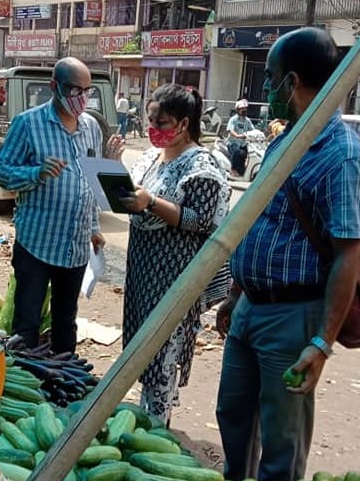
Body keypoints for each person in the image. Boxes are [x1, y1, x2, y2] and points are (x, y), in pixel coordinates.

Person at [214, 27, 360, 481]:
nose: (265, 89)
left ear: (292, 82)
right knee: (233, 415)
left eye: (269, 78)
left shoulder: (343, 156)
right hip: (250, 307)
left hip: (292, 317)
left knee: (282, 440)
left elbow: (347, 256)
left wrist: (321, 344)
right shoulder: (285, 140)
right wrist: (235, 294)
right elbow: (261, 220)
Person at [0, 57, 125, 354]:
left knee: (66, 321)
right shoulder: (28, 124)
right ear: (54, 86)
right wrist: (36, 173)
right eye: (75, 90)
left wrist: (93, 227)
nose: (82, 98)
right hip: (37, 243)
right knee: (27, 322)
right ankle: (26, 374)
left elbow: (88, 182)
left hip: (75, 245)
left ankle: (64, 373)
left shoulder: (91, 127)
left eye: (87, 91)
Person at [118, 84, 232, 425]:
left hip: (173, 276)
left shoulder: (202, 166)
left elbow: (200, 220)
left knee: (163, 347)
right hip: (143, 271)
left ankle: (156, 426)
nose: (153, 127)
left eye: (162, 122)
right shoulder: (153, 157)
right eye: (150, 119)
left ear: (184, 124)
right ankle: (146, 417)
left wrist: (151, 202)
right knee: (142, 347)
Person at [226, 99, 254, 177]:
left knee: (247, 153)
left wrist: (257, 134)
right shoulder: (233, 119)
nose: (244, 110)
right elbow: (230, 130)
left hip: (243, 143)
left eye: (245, 108)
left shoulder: (247, 120)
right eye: (242, 108)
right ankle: (233, 169)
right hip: (233, 142)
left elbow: (253, 129)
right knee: (238, 152)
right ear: (238, 110)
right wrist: (237, 135)